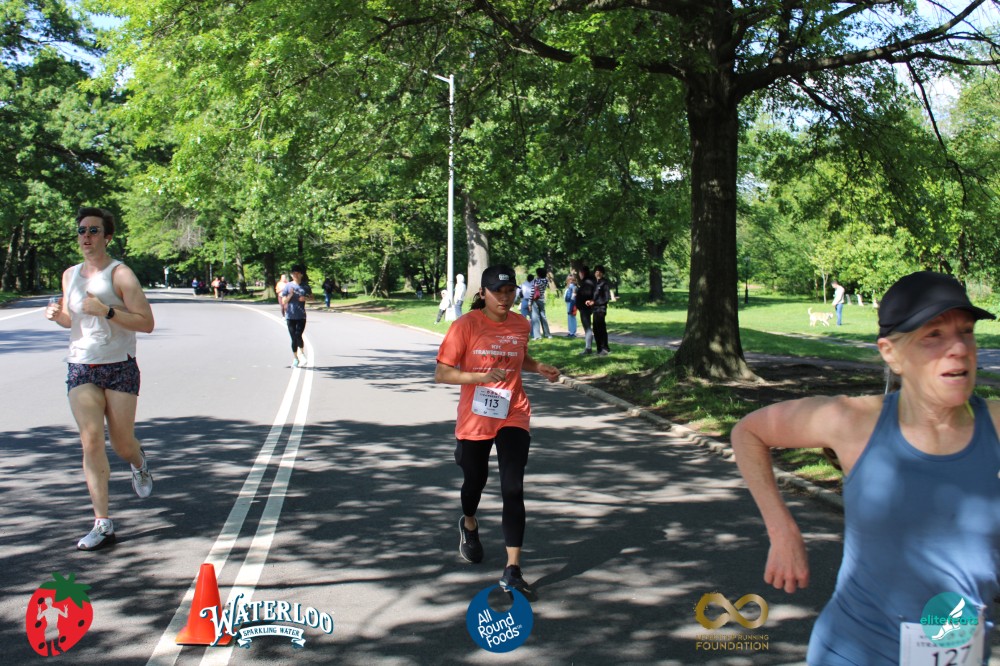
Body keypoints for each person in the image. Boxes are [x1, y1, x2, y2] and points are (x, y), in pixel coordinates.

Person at [731, 270, 1000, 665]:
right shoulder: (854, 422)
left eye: (966, 331)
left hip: (961, 652)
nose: (959, 348)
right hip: (856, 651)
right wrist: (782, 531)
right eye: (933, 336)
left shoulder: (994, 427)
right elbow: (748, 432)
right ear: (891, 353)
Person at [435, 265, 560, 596]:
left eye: (509, 292)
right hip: (476, 415)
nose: (504, 298)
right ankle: (469, 522)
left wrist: (538, 367)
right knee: (474, 481)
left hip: (513, 412)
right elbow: (442, 373)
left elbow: (519, 357)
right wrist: (479, 377)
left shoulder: (521, 324)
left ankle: (513, 569)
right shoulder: (466, 325)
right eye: (497, 292)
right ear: (483, 293)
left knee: (513, 488)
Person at [45, 207, 155, 551]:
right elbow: (72, 319)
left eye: (93, 230)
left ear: (107, 237)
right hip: (81, 365)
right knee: (91, 440)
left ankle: (138, 461)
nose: (86, 236)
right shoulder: (70, 275)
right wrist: (57, 316)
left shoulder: (120, 274)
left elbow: (146, 322)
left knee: (122, 444)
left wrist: (107, 310)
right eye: (82, 230)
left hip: (119, 366)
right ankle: (102, 522)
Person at [280, 264, 313, 367]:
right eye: (293, 274)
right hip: (290, 316)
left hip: (301, 315)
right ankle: (295, 358)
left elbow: (312, 298)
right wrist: (290, 295)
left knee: (298, 334)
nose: (295, 275)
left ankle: (301, 354)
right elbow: (283, 301)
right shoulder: (288, 286)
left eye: (297, 273)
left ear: (301, 274)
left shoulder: (305, 286)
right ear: (291, 275)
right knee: (293, 338)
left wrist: (305, 298)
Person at [588, 265, 612, 355]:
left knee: (601, 328)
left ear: (602, 273)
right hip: (594, 309)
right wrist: (589, 301)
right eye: (596, 272)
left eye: (600, 272)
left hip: (601, 309)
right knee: (595, 329)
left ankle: (605, 348)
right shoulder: (594, 283)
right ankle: (599, 349)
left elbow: (606, 298)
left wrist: (595, 302)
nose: (598, 273)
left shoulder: (604, 283)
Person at [576, 266, 596, 354]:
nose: (579, 275)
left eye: (580, 273)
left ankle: (588, 348)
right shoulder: (590, 281)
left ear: (582, 273)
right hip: (585, 308)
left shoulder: (587, 282)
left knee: (587, 328)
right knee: (587, 328)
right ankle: (588, 347)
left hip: (585, 308)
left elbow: (586, 295)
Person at [529, 267, 553, 340]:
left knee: (535, 317)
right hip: (542, 299)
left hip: (535, 300)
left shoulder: (536, 280)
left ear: (538, 274)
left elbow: (533, 291)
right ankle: (547, 334)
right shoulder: (546, 280)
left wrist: (529, 302)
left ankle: (537, 336)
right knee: (543, 316)